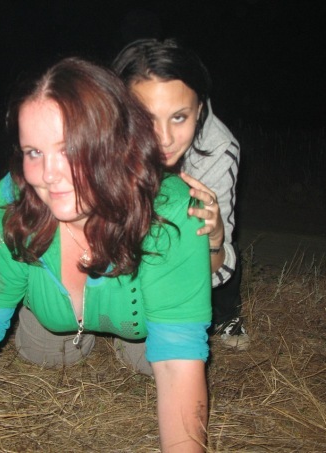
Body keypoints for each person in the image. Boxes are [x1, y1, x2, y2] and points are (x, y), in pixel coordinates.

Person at [0, 58, 211, 452]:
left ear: (119, 144)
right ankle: (61, 319)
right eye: (34, 152)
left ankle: (123, 332)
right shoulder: (14, 202)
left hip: (139, 317)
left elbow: (177, 361)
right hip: (53, 319)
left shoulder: (173, 213)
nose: (49, 174)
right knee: (44, 351)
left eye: (68, 149)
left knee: (150, 357)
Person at [112, 38, 248, 349]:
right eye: (146, 118)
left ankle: (225, 316)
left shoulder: (218, 150)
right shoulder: (103, 134)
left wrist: (214, 240)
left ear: (198, 110)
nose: (165, 139)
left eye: (179, 117)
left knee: (215, 229)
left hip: (185, 256)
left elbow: (218, 267)